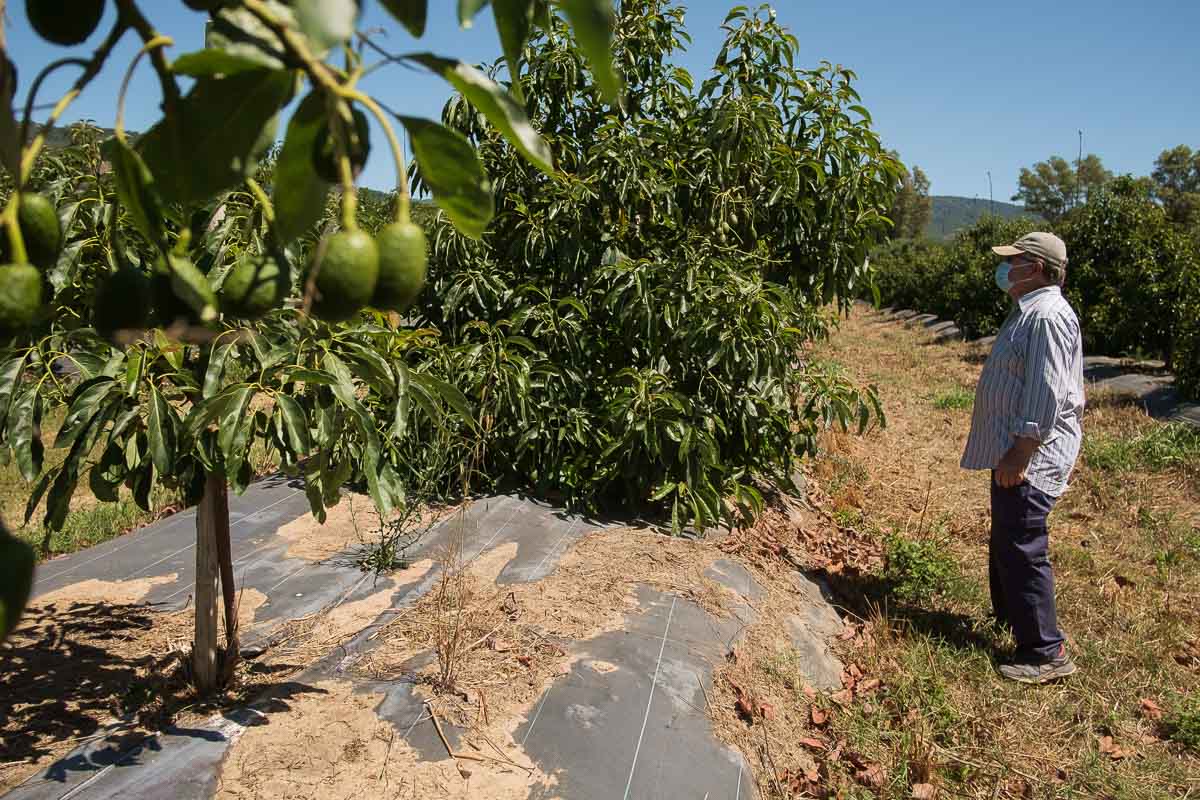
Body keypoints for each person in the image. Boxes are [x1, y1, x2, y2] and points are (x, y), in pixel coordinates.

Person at [961, 232, 1085, 684]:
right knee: (1008, 536)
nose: (1005, 268)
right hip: (1013, 451)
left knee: (1023, 544)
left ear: (1034, 267)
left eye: (1013, 261)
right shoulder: (1031, 311)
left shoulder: (1048, 317)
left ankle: (1044, 652)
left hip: (1030, 456)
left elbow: (1045, 390)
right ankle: (1012, 617)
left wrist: (1022, 449)